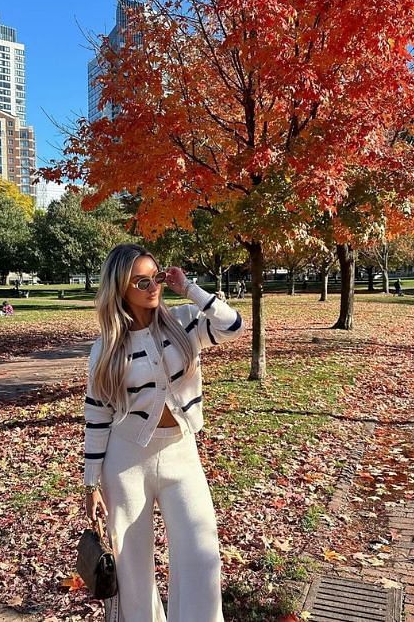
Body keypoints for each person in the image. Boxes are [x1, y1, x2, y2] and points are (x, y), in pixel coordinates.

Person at [82, 243, 246, 621]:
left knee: (201, 555)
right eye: (140, 282)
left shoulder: (185, 321)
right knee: (132, 568)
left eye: (154, 277)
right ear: (120, 288)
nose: (151, 287)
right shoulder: (106, 349)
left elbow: (233, 326)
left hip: (180, 454)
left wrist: (188, 287)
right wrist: (90, 484)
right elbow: (97, 416)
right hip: (125, 462)